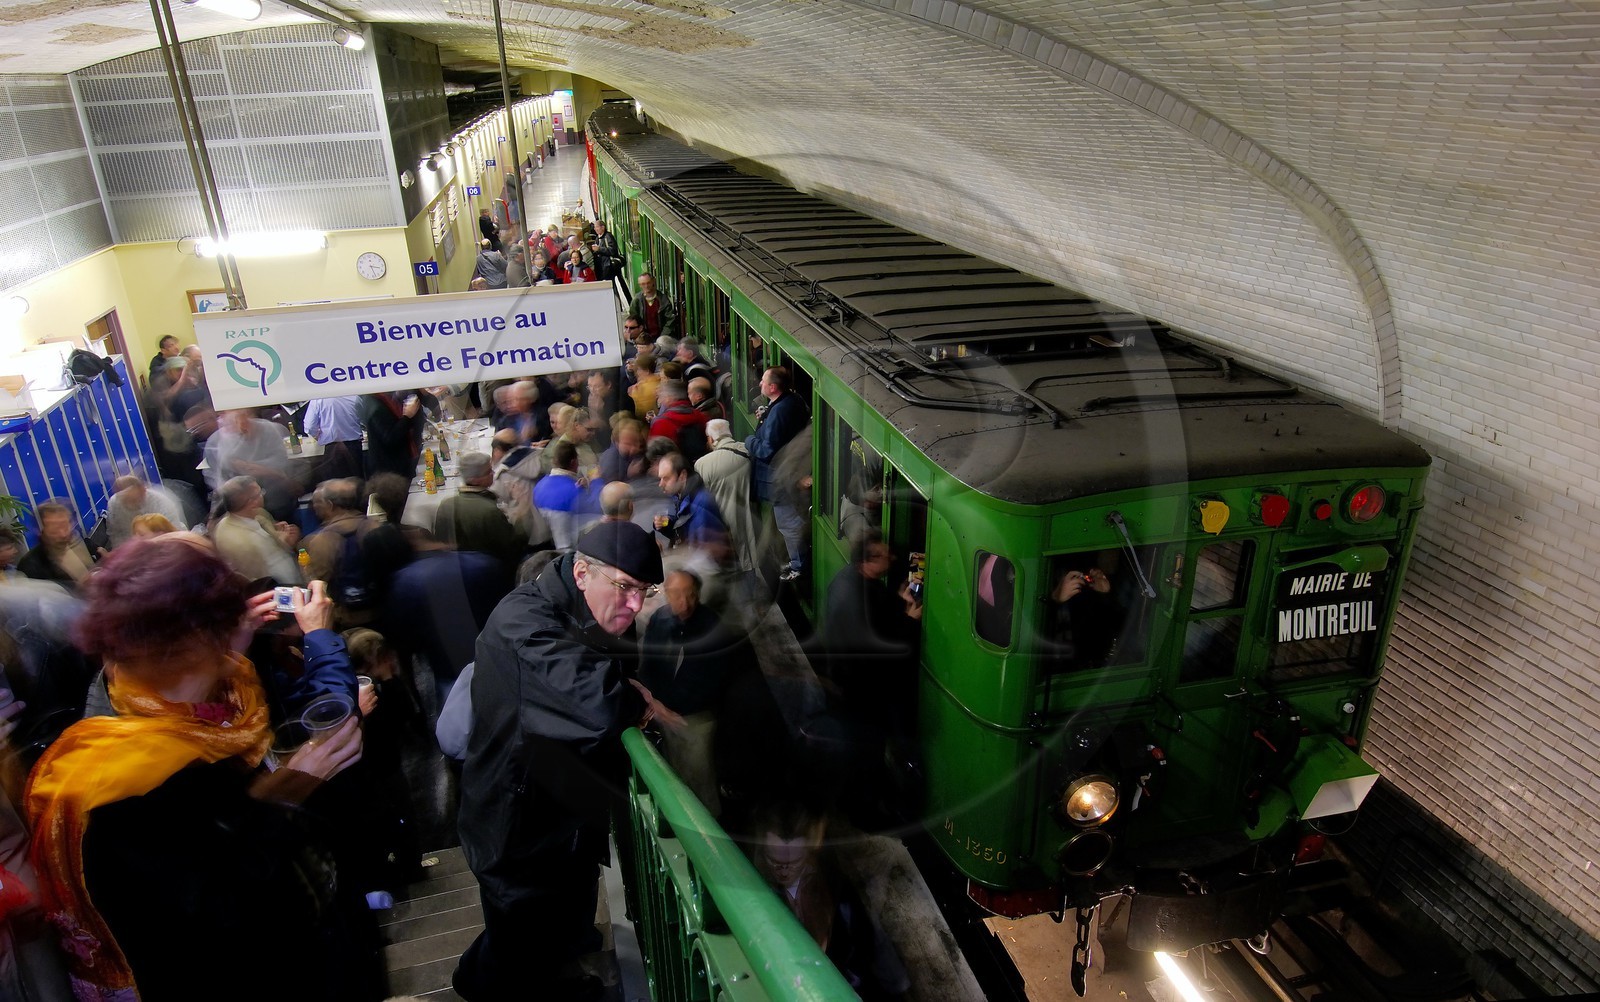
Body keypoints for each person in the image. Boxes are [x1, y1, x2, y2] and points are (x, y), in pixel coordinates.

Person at [24, 540, 373, 1001]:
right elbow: (227, 921)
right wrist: (289, 791)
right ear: (199, 635)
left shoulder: (126, 716)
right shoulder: (143, 782)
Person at [454, 522, 675, 1002]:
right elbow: (598, 703)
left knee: (550, 928)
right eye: (625, 588)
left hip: (560, 818)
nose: (636, 605)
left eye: (645, 591)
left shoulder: (580, 606)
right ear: (581, 572)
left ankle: (554, 970)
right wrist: (634, 700)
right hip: (517, 831)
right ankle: (484, 984)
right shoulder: (523, 625)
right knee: (520, 947)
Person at [748, 801, 911, 1001]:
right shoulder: (756, 882)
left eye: (794, 863)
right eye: (775, 861)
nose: (784, 871)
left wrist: (895, 985)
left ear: (809, 852)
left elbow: (865, 941)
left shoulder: (835, 886)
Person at [639, 570, 740, 814]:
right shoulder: (659, 620)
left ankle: (709, 827)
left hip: (695, 718)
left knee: (700, 777)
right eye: (676, 594)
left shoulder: (712, 628)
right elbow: (649, 664)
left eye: (690, 594)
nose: (684, 602)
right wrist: (657, 704)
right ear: (666, 594)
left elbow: (714, 679)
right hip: (665, 712)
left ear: (698, 595)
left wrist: (675, 709)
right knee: (675, 771)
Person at [384, 529, 512, 709]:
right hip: (498, 661)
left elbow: (406, 639)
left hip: (450, 674)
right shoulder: (485, 563)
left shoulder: (405, 581)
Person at [745, 366, 810, 581]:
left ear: (773, 387)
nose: (760, 384)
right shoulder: (791, 400)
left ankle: (798, 567)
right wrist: (767, 413)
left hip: (781, 479)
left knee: (789, 525)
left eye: (763, 381)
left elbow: (766, 450)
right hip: (789, 474)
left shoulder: (781, 410)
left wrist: (749, 441)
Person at [301, 478, 375, 627]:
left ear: (330, 505)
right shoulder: (374, 525)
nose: (314, 507)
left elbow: (315, 582)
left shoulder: (321, 541)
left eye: (317, 502)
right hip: (382, 605)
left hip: (350, 618)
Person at [436, 452, 524, 573]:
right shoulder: (489, 511)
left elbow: (443, 545)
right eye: (488, 472)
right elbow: (513, 546)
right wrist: (520, 513)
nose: (493, 474)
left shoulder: (446, 504)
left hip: (456, 570)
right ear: (475, 480)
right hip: (493, 570)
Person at [205, 408, 299, 521]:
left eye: (242, 417)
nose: (241, 424)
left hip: (275, 497)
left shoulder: (271, 430)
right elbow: (215, 477)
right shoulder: (215, 441)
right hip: (239, 504)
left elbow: (283, 463)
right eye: (231, 422)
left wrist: (250, 467)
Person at [211, 476, 302, 586]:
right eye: (260, 492)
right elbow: (253, 578)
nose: (263, 495)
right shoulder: (232, 539)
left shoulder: (259, 513)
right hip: (273, 588)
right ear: (252, 502)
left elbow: (269, 539)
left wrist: (279, 534)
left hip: (291, 576)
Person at [695, 419, 758, 573]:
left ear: (710, 439)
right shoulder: (748, 450)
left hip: (720, 523)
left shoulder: (702, 464)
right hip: (751, 518)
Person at [655, 452, 728, 552]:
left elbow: (707, 552)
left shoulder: (702, 503)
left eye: (666, 478)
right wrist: (666, 524)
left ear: (682, 476)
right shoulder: (680, 497)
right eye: (660, 478)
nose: (661, 484)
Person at [18, 501, 94, 589]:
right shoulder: (30, 565)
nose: (63, 534)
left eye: (65, 526)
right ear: (40, 530)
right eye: (55, 529)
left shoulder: (84, 544)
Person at [104, 475, 185, 547]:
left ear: (143, 490)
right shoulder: (114, 504)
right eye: (127, 500)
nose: (131, 504)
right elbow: (115, 534)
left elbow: (174, 536)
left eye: (134, 500)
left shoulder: (162, 503)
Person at [302, 393, 365, 482]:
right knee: (357, 481)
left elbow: (309, 426)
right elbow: (363, 420)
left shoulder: (318, 399)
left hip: (332, 449)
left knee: (334, 484)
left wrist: (316, 435)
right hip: (354, 446)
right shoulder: (354, 397)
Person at [649, 380, 710, 465]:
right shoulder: (700, 416)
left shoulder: (661, 423)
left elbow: (654, 454)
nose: (660, 400)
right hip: (702, 464)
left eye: (661, 396)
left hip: (676, 470)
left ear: (669, 398)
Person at [625, 272, 677, 339]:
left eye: (648, 283)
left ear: (653, 281)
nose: (646, 286)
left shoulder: (663, 299)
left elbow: (670, 320)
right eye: (643, 284)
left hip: (661, 337)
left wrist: (662, 337)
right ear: (640, 285)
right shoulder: (637, 300)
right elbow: (633, 320)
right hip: (643, 338)